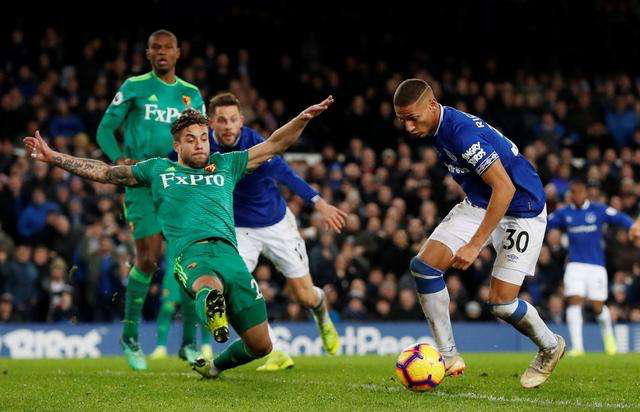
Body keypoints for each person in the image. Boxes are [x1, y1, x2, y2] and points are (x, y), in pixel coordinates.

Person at [24, 95, 333, 379]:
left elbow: (276, 144)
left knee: (261, 346)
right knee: (207, 286)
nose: (200, 145)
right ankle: (213, 308)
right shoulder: (158, 170)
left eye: (203, 138)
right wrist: (55, 158)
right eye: (191, 140)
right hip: (191, 256)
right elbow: (106, 172)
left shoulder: (228, 164)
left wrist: (303, 118)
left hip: (231, 256)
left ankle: (214, 367)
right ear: (176, 144)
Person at [393, 78, 564, 389]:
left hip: (521, 207)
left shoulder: (461, 134)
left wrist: (474, 245)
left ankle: (550, 346)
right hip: (481, 202)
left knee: (501, 304)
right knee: (424, 268)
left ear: (432, 106)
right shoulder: (435, 127)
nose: (408, 127)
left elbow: (505, 187)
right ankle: (447, 355)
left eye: (412, 118)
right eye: (402, 120)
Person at [166, 92, 344, 371]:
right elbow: (172, 162)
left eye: (233, 120)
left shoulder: (253, 143)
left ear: (241, 121)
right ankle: (272, 350)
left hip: (276, 224)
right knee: (231, 290)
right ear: (211, 122)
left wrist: (318, 202)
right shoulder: (201, 145)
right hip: (236, 229)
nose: (227, 126)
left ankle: (321, 313)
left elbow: (285, 174)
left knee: (305, 296)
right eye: (221, 120)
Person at [96, 29, 206, 370]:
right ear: (148, 54)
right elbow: (104, 130)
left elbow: (202, 139)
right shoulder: (133, 86)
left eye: (167, 48)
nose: (162, 52)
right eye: (155, 48)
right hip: (143, 184)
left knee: (188, 260)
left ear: (177, 53)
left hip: (179, 185)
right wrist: (118, 159)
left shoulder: (191, 94)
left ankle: (189, 344)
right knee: (148, 259)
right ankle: (130, 337)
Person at [547, 180, 634, 356]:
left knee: (597, 307)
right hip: (575, 265)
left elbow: (620, 217)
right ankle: (578, 347)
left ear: (585, 193)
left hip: (596, 266)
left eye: (579, 192)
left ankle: (609, 339)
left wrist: (633, 226)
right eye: (573, 192)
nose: (576, 195)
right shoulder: (564, 213)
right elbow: (546, 222)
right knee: (574, 301)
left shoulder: (599, 210)